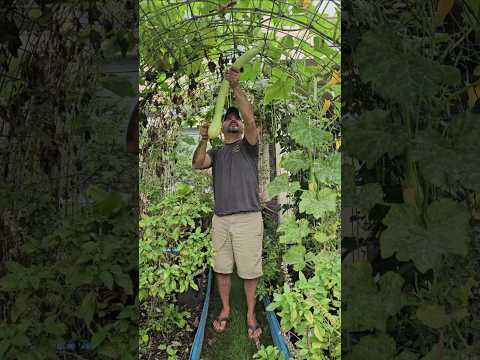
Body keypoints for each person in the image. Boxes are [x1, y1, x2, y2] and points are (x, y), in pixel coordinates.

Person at [192, 67, 263, 340]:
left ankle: (250, 314)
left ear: (240, 125)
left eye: (236, 118)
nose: (233, 119)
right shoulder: (216, 153)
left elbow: (252, 121)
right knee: (221, 267)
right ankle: (224, 308)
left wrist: (235, 87)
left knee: (249, 271)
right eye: (228, 118)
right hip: (221, 219)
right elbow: (198, 164)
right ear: (221, 128)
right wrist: (202, 138)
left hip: (248, 218)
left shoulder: (249, 145)